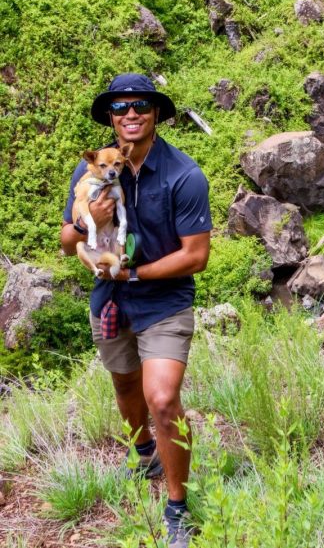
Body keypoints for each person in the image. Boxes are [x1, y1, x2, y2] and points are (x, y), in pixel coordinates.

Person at [61, 74, 211, 548]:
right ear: (111, 116)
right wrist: (93, 223)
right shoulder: (91, 170)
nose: (131, 112)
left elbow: (196, 256)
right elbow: (67, 241)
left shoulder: (183, 175)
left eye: (141, 104)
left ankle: (177, 507)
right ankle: (143, 452)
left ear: (155, 113)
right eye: (121, 106)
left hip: (163, 300)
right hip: (109, 299)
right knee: (125, 383)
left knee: (162, 399)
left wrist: (137, 275)